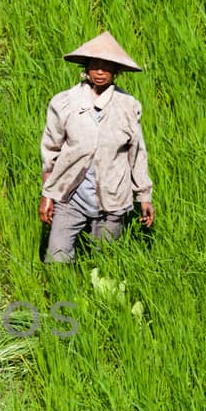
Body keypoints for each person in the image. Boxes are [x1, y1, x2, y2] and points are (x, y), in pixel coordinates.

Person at [38, 31, 154, 263]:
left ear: (116, 71)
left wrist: (144, 196)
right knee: (57, 256)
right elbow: (51, 150)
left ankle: (98, 297)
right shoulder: (65, 103)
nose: (100, 72)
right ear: (86, 67)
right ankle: (63, 295)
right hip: (70, 196)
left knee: (105, 261)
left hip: (113, 197)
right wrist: (47, 195)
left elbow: (137, 154)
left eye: (107, 66)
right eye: (95, 65)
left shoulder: (128, 106)